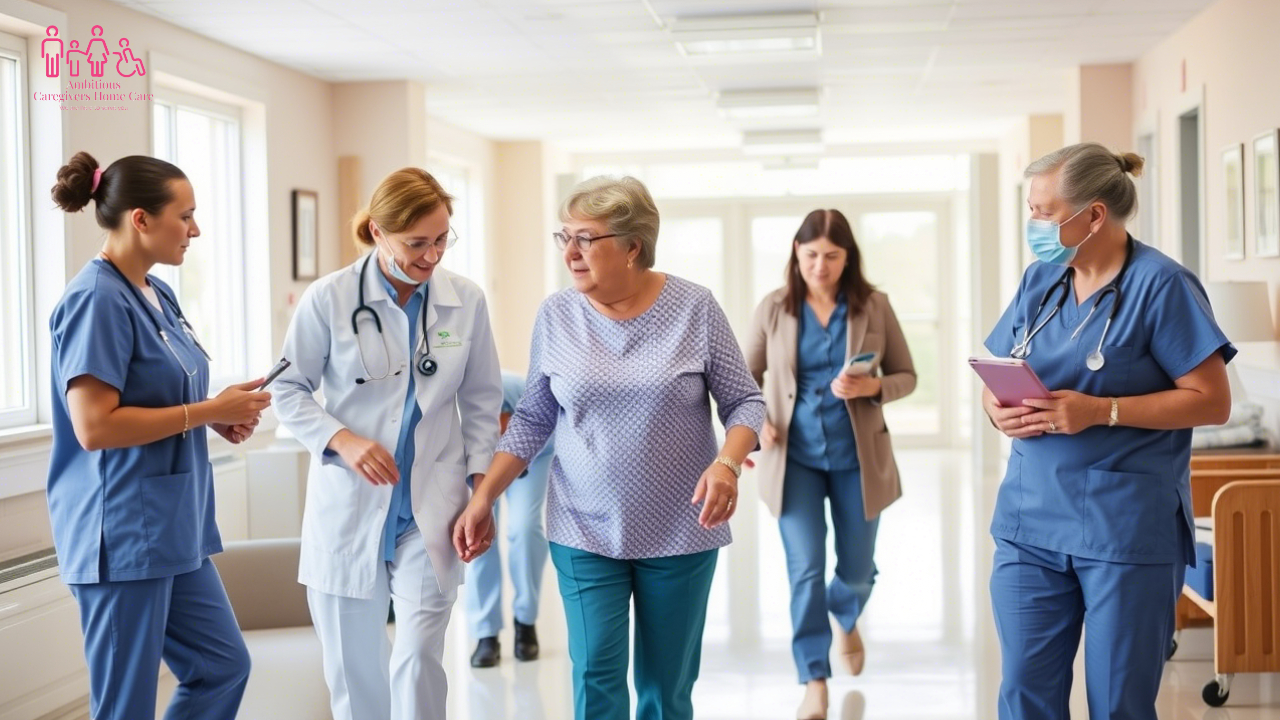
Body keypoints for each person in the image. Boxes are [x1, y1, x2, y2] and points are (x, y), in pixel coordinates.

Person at [453, 176, 766, 720]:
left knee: (666, 688)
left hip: (682, 525)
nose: (570, 253)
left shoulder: (695, 308)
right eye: (564, 237)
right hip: (583, 526)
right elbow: (532, 418)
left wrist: (727, 464)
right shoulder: (556, 316)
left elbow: (745, 402)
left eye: (586, 239)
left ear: (631, 246)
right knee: (596, 672)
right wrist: (484, 497)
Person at [983, 143, 1234, 720]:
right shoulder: (1041, 280)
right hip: (1030, 521)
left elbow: (1212, 400)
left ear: (1094, 214)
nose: (1035, 225)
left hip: (1125, 529)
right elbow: (1000, 367)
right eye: (1031, 210)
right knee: (1024, 693)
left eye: (1045, 212)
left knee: (1119, 700)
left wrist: (1102, 411)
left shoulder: (1162, 285)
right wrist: (996, 409)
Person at [272, 167, 502, 720]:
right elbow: (287, 387)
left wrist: (480, 493)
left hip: (432, 507)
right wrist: (341, 438)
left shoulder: (464, 301)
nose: (433, 255)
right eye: (417, 243)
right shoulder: (328, 298)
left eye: (443, 238)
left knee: (420, 655)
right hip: (350, 503)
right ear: (377, 231)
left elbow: (480, 403)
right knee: (355, 672)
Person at [47, 151, 269, 720]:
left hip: (175, 528)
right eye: (185, 215)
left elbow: (165, 394)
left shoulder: (156, 292)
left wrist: (219, 412)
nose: (196, 230)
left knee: (222, 667)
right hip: (122, 534)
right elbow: (94, 426)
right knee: (126, 706)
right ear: (140, 219)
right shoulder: (95, 299)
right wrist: (204, 411)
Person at [745, 209, 916, 720]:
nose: (820, 265)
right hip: (792, 460)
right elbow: (742, 379)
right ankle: (814, 679)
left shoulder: (874, 306)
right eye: (811, 254)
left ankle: (845, 611)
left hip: (856, 459)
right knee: (805, 572)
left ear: (848, 258)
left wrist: (875, 387)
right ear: (795, 254)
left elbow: (907, 374)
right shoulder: (774, 308)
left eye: (832, 256)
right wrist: (756, 423)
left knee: (858, 572)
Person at [466, 370, 554, 668]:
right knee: (476, 536)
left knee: (524, 528)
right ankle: (485, 632)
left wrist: (512, 462)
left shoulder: (514, 392)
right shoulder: (455, 401)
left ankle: (525, 622)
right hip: (472, 458)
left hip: (532, 452)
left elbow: (540, 429)